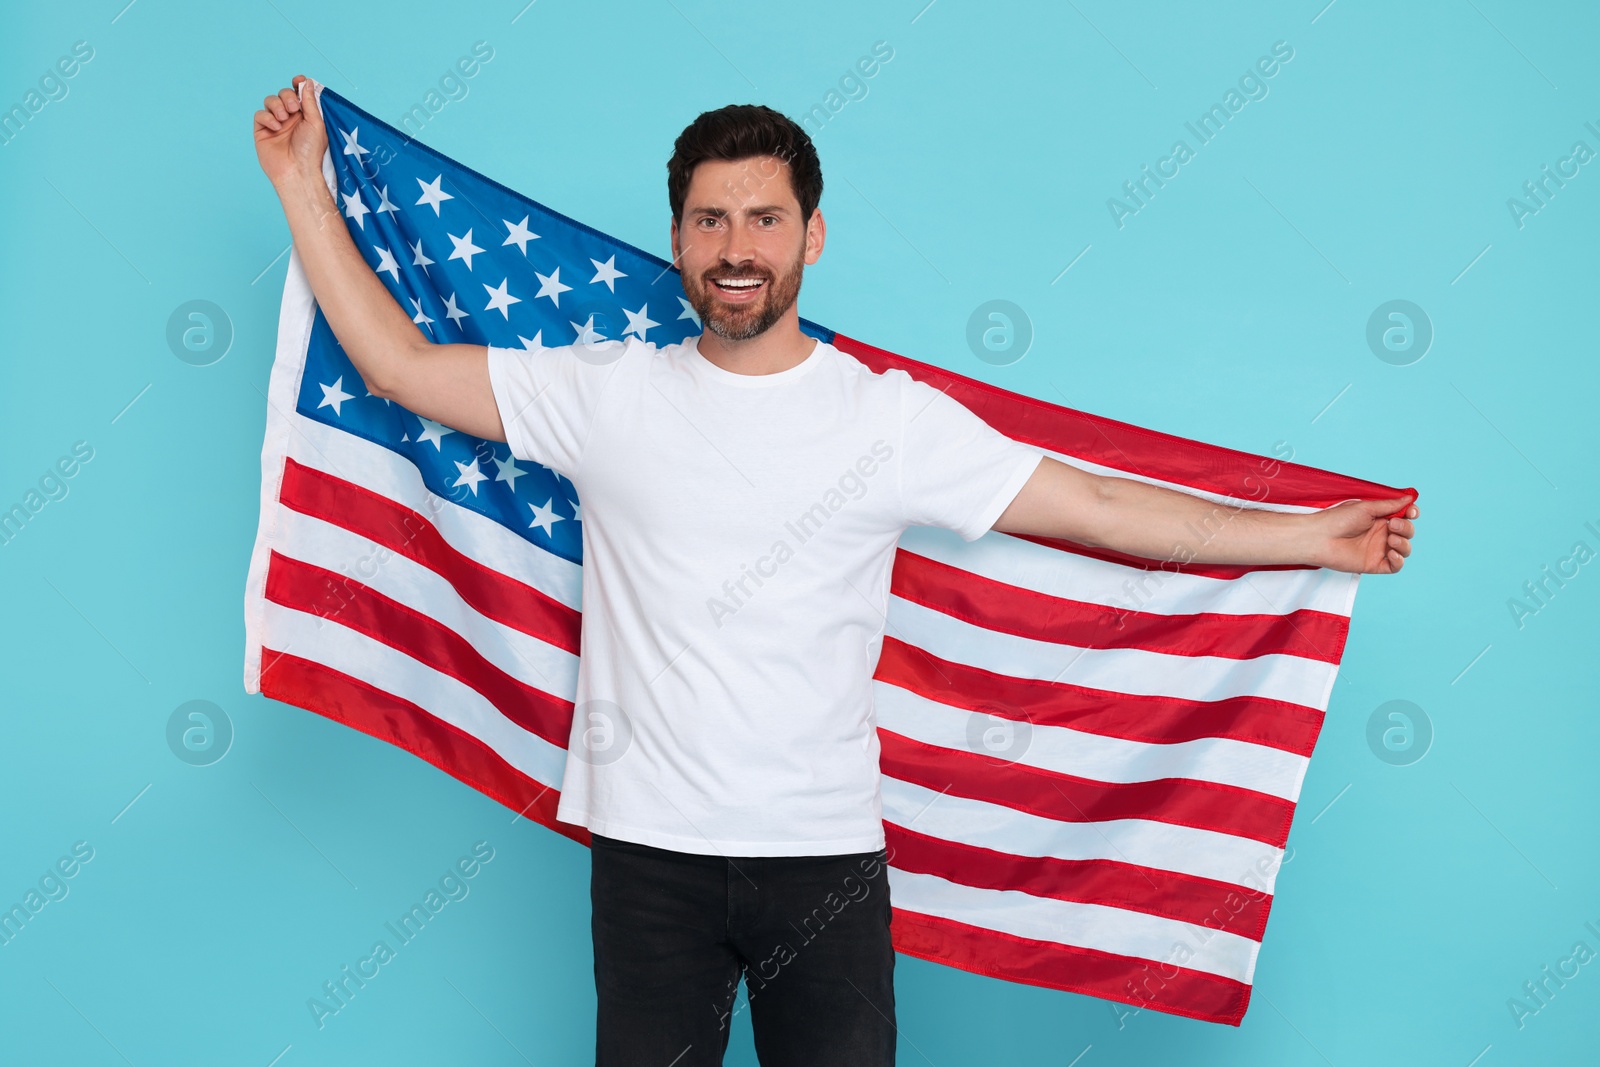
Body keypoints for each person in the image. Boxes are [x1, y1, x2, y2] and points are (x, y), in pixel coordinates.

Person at [254, 75, 1419, 1067]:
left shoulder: (889, 421)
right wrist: (304, 185)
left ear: (811, 235)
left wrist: (1314, 537)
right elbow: (401, 367)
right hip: (648, 862)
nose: (736, 249)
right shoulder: (603, 394)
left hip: (826, 867)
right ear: (677, 239)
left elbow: (1097, 507)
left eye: (763, 219)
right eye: (709, 221)